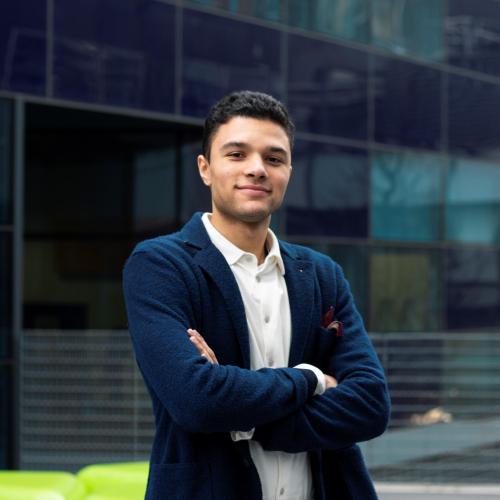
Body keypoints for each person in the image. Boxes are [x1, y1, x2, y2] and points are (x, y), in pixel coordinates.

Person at [123, 90, 390, 500]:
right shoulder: (161, 265)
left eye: (274, 158)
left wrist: (244, 418)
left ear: (288, 172)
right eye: (236, 154)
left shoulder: (322, 274)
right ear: (205, 168)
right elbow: (196, 400)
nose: (257, 169)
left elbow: (370, 405)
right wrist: (311, 379)